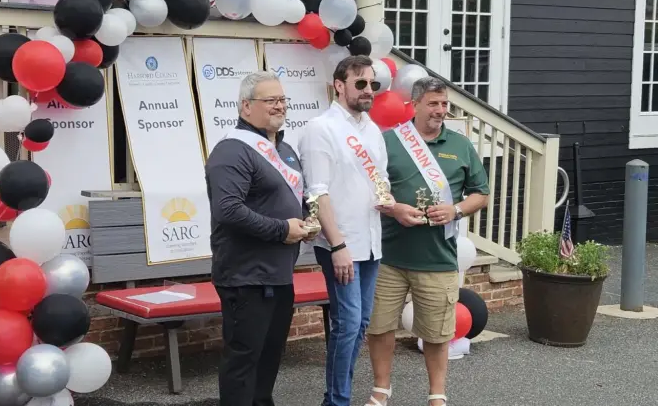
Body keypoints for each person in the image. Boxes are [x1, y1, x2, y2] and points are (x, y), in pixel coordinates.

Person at [365, 77, 490, 406]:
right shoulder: (389, 141)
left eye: (444, 104)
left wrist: (455, 210)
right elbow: (372, 189)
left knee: (437, 333)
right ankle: (381, 389)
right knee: (378, 327)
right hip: (389, 255)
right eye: (433, 103)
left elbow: (481, 194)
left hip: (438, 257)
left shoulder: (461, 145)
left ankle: (437, 395)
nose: (440, 110)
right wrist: (394, 208)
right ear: (415, 104)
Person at [205, 70, 313, 406]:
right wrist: (282, 230)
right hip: (246, 276)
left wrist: (310, 219)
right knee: (243, 361)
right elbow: (228, 210)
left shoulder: (286, 149)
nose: (280, 106)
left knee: (269, 358)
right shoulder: (232, 151)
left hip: (279, 273)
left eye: (282, 100)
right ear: (245, 106)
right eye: (271, 100)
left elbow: (296, 198)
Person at [298, 55, 392, 406]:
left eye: (373, 84)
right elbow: (317, 192)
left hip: (371, 241)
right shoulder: (320, 128)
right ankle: (336, 401)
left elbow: (378, 180)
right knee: (348, 324)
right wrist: (337, 246)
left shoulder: (372, 129)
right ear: (340, 85)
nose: (369, 90)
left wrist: (387, 197)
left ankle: (338, 396)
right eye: (361, 83)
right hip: (341, 243)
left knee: (360, 323)